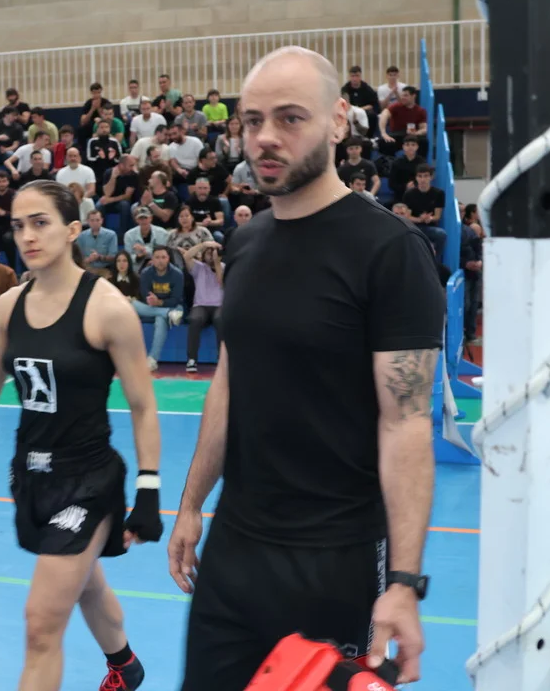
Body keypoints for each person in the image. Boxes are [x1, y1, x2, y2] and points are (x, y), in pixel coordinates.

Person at [167, 46, 445, 689]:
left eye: (290, 118)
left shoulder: (390, 252)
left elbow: (406, 424)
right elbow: (229, 381)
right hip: (236, 549)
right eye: (252, 120)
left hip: (337, 559)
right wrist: (191, 505)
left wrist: (404, 583)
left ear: (339, 121)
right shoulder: (245, 243)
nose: (265, 137)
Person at [0, 180, 164, 691]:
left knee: (41, 624)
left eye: (40, 222)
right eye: (18, 225)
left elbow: (142, 406)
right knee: (85, 585)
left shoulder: (108, 309)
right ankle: (126, 666)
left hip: (88, 482)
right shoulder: (10, 306)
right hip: (30, 475)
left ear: (73, 230)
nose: (27, 235)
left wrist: (148, 491)